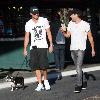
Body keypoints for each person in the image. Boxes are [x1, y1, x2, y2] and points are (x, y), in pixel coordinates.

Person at [62, 9, 96, 93]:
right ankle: (84, 81)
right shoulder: (70, 23)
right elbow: (67, 36)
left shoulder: (85, 24)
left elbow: (90, 37)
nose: (70, 16)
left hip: (81, 48)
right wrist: (63, 31)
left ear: (76, 15)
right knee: (78, 68)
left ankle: (78, 85)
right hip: (72, 49)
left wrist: (93, 49)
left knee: (78, 67)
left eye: (71, 15)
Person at [23, 6, 53, 91]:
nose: (37, 14)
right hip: (33, 47)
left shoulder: (44, 20)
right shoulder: (28, 23)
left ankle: (46, 81)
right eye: (35, 13)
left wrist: (51, 44)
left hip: (43, 46)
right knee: (36, 66)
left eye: (38, 13)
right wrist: (25, 49)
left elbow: (48, 32)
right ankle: (40, 83)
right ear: (31, 14)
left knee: (43, 66)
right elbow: (27, 36)